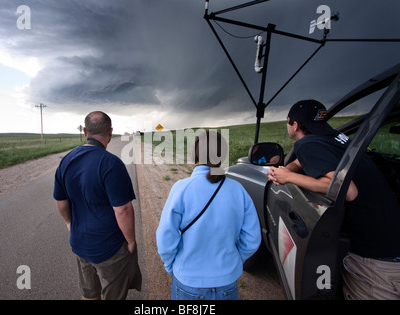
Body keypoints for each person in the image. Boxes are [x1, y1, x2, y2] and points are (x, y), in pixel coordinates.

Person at [267, 99, 400, 300]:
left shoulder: (307, 144)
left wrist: (288, 178)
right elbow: (300, 161)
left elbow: (348, 191)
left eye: (288, 122)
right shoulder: (338, 139)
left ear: (294, 125)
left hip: (376, 258)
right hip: (391, 236)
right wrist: (286, 169)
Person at [156, 130, 261, 300]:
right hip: (227, 283)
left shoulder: (181, 188)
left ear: (195, 155)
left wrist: (170, 265)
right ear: (223, 156)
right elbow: (252, 238)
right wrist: (234, 260)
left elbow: (165, 236)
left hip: (188, 282)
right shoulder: (238, 190)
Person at [53, 111, 141, 300]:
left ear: (85, 132)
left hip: (80, 243)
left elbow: (60, 202)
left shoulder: (66, 161)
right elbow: (122, 209)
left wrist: (70, 224)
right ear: (110, 132)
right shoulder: (111, 164)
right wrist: (131, 241)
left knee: (89, 294)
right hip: (109, 247)